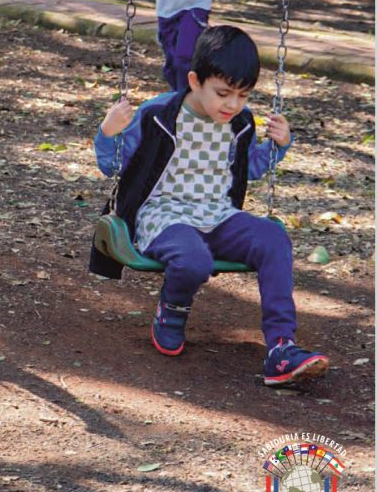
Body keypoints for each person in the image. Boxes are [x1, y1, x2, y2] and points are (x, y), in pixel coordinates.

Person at [93, 25, 330, 386]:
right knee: (193, 259)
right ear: (194, 81)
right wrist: (109, 132)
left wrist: (276, 148)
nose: (232, 104)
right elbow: (113, 165)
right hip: (163, 216)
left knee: (273, 238)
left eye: (243, 95)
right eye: (223, 93)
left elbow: (246, 168)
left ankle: (281, 348)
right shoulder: (157, 113)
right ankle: (172, 311)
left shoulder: (240, 122)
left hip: (217, 215)